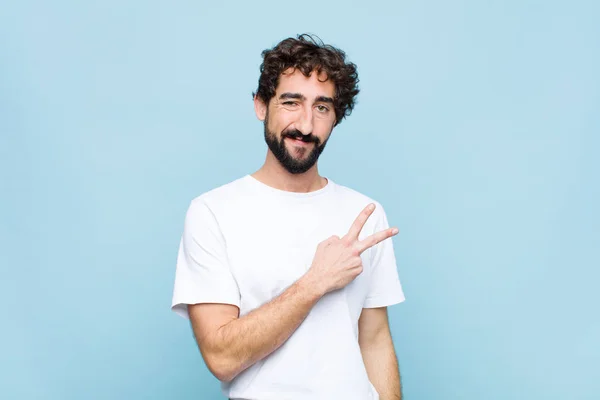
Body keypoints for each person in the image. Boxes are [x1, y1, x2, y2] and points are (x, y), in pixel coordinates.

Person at [171, 34, 405, 400]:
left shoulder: (365, 213)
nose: (307, 126)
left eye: (323, 107)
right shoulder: (213, 213)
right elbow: (221, 357)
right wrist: (315, 282)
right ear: (261, 106)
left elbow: (374, 341)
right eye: (291, 102)